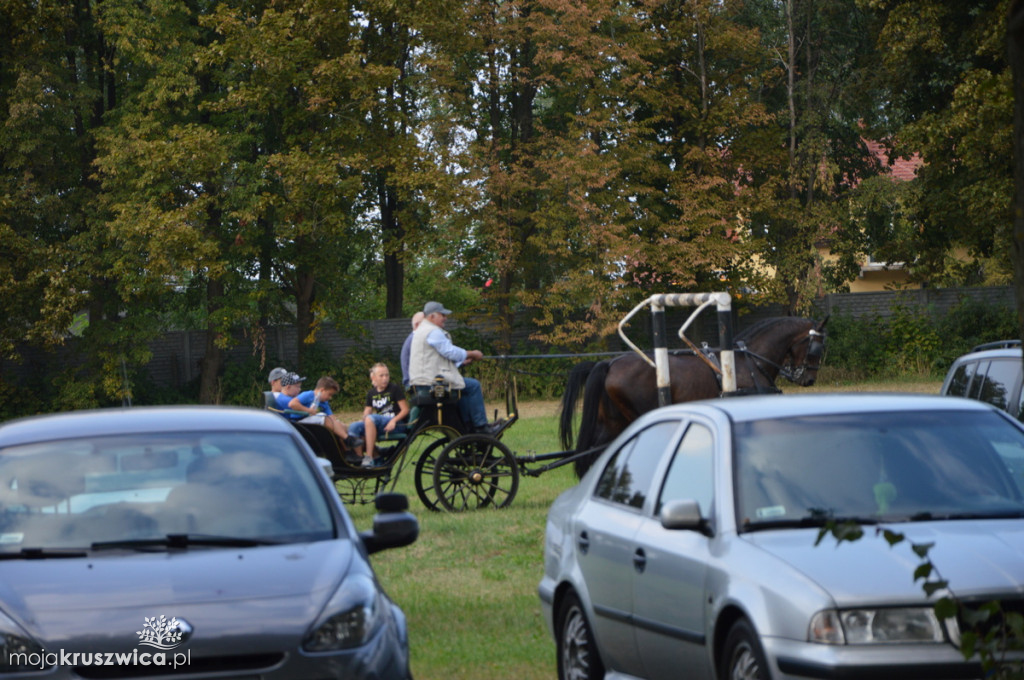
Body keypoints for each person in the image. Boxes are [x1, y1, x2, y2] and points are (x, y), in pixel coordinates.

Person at [407, 301, 500, 434]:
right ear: (432, 316)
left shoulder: (421, 330)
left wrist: (461, 362)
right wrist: (472, 353)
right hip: (431, 384)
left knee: (462, 386)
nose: (445, 318)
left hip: (423, 382)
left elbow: (436, 359)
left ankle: (468, 425)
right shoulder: (432, 331)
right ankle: (480, 426)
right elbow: (449, 351)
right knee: (473, 386)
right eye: (442, 315)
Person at [348, 363, 410, 467]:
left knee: (371, 418)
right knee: (354, 426)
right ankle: (359, 459)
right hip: (379, 423)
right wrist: (363, 419)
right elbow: (367, 411)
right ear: (374, 377)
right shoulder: (371, 393)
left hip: (396, 424)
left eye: (387, 375)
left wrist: (393, 421)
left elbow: (405, 410)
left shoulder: (394, 389)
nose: (385, 378)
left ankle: (369, 458)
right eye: (381, 375)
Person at [277, 374, 357, 447]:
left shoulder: (298, 398)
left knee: (338, 425)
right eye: (297, 387)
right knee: (323, 417)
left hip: (302, 423)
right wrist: (309, 410)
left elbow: (332, 417)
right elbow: (293, 405)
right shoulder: (285, 400)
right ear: (288, 387)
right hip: (294, 425)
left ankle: (347, 451)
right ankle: (347, 440)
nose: (300, 389)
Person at [400, 311, 425, 388]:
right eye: (425, 323)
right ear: (417, 325)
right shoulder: (414, 339)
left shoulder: (413, 338)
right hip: (415, 383)